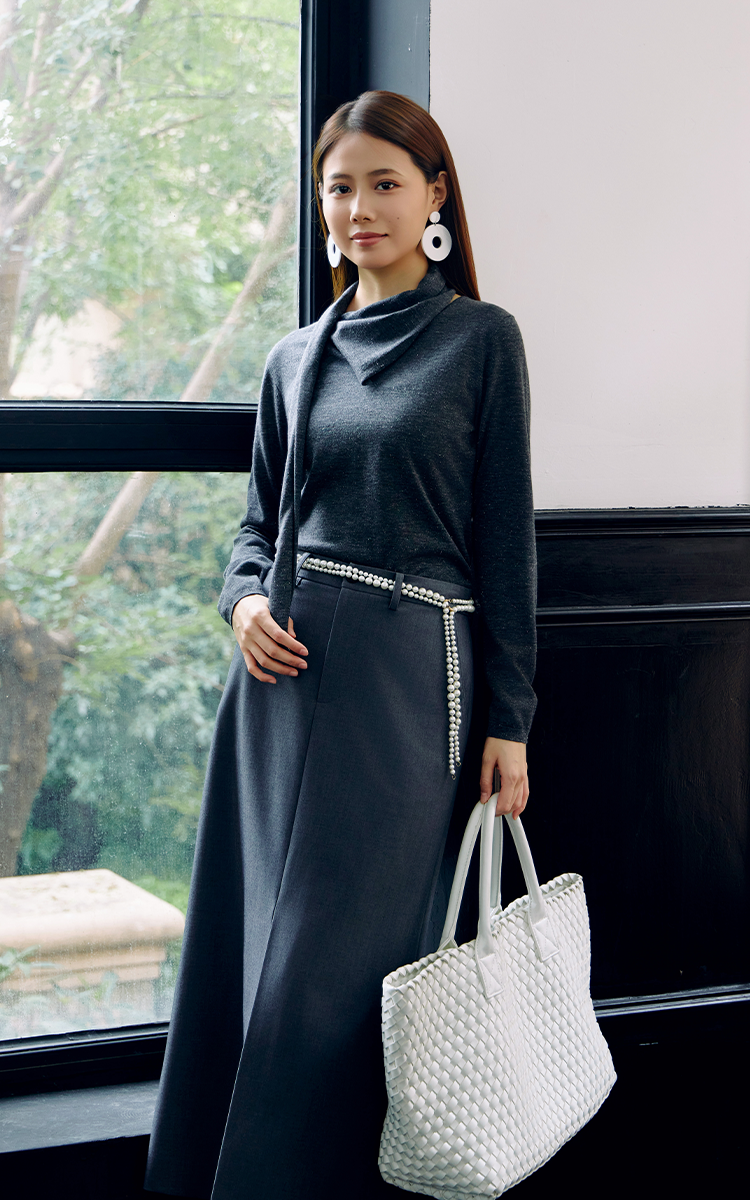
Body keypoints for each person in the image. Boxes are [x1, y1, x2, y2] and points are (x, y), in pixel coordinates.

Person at [144, 90, 537, 1200]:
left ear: (435, 195)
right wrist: (241, 606)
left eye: (384, 184)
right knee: (250, 954)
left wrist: (512, 718)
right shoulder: (294, 356)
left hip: (407, 691)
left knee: (339, 974)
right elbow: (254, 529)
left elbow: (505, 544)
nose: (359, 208)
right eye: (339, 188)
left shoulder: (481, 342)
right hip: (275, 694)